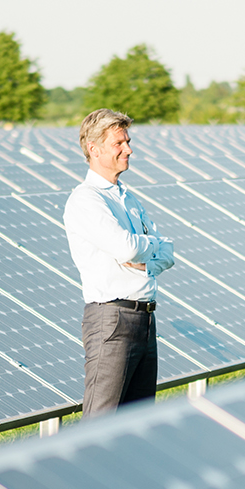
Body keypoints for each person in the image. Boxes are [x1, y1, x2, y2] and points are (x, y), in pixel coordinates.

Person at [63, 108, 175, 418]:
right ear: (94, 149)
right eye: (119, 143)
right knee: (101, 421)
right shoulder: (87, 200)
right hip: (112, 321)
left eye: (127, 141)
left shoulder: (128, 198)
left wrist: (146, 258)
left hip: (144, 320)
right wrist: (148, 248)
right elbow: (125, 247)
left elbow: (168, 252)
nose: (129, 149)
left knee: (135, 425)